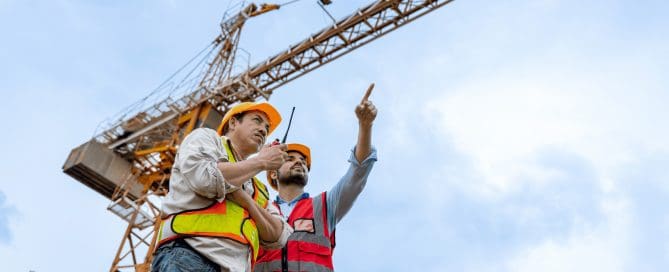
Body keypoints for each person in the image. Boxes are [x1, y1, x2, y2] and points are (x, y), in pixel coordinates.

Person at [152, 101, 294, 272]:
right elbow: (205, 178)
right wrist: (261, 162)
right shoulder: (207, 139)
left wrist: (245, 201)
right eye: (257, 120)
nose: (263, 130)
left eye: (267, 127)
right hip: (189, 254)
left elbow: (279, 236)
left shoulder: (259, 188)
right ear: (233, 123)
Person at [254, 86, 378, 271]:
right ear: (273, 172)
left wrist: (365, 125)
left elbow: (358, 172)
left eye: (303, 161)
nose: (299, 163)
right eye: (290, 159)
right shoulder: (259, 207)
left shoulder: (325, 206)